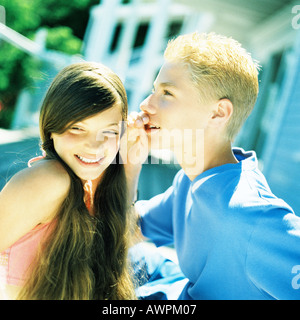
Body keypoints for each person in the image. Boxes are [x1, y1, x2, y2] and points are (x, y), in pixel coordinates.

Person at [128, 32, 300, 300]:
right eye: (154, 90)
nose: (145, 104)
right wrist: (129, 165)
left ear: (218, 113)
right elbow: (129, 228)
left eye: (167, 93)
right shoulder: (192, 179)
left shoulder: (251, 216)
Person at [0, 61, 137, 300]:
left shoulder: (95, 187)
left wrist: (132, 163)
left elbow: (124, 240)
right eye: (77, 128)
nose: (95, 146)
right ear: (51, 128)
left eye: (109, 132)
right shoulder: (50, 179)